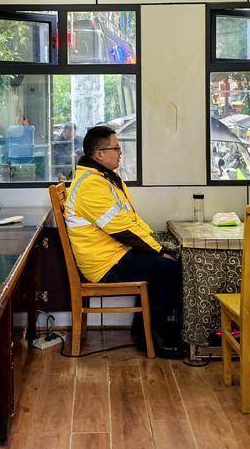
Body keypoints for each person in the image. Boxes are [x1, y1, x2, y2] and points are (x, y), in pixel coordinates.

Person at [64, 125, 183, 357]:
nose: (120, 153)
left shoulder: (103, 178)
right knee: (169, 270)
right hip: (105, 264)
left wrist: (156, 245)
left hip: (114, 254)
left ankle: (145, 331)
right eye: (116, 148)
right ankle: (153, 339)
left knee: (165, 262)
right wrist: (159, 252)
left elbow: (129, 220)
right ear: (99, 154)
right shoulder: (91, 185)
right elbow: (121, 230)